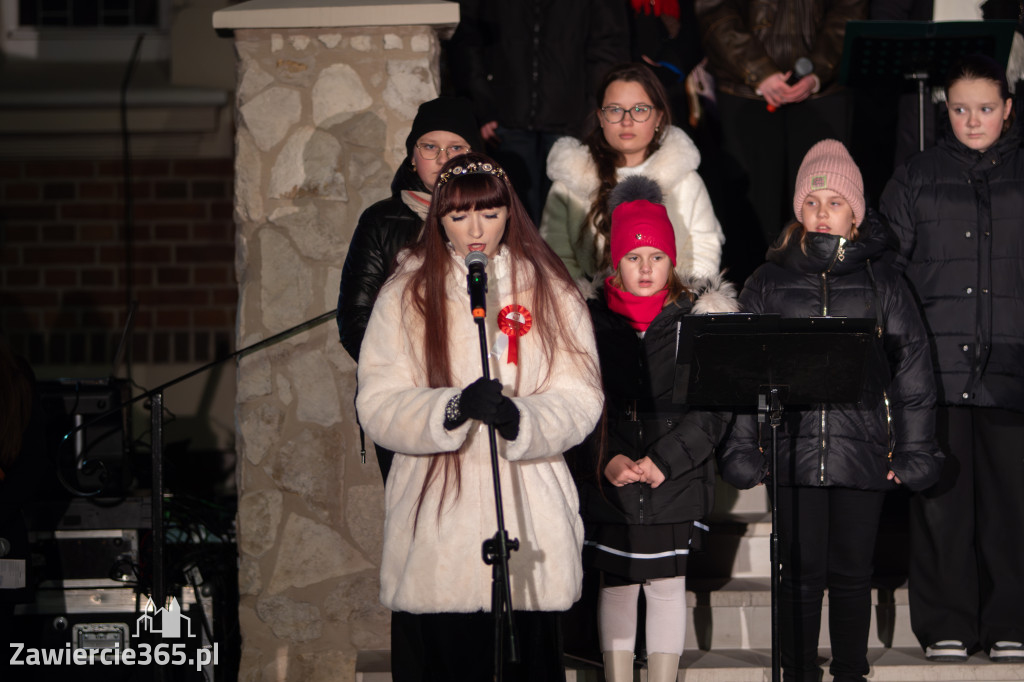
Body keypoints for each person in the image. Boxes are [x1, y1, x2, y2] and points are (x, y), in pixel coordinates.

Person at [355, 152, 604, 681]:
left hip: (526, 520)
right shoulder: (405, 293)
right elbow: (377, 404)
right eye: (459, 215)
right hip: (439, 528)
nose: (475, 229)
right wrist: (450, 406)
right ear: (438, 217)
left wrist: (523, 419)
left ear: (509, 214)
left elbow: (582, 397)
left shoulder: (552, 290)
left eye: (489, 214)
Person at [719, 140, 943, 681]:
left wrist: (913, 451)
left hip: (862, 451)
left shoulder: (882, 282)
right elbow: (743, 372)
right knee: (798, 572)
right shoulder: (769, 281)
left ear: (855, 214)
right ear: (799, 210)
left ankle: (849, 671)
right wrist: (747, 446)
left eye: (835, 202)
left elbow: (913, 371)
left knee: (849, 573)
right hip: (792, 450)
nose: (823, 212)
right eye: (813, 202)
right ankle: (796, 671)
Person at [879, 53, 1024, 664]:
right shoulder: (915, 176)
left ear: (1008, 110)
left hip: (1014, 369)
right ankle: (944, 624)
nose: (972, 120)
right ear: (946, 110)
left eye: (985, 109)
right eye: (961, 109)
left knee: (1011, 508)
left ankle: (1012, 620)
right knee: (940, 505)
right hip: (937, 371)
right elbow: (889, 271)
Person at [576, 175, 738, 682]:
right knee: (619, 583)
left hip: (677, 475)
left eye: (657, 258)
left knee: (667, 585)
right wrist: (606, 459)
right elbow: (578, 402)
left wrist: (665, 460)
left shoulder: (696, 321)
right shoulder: (589, 321)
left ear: (672, 261)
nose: (645, 269)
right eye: (633, 257)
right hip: (615, 475)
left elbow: (713, 410)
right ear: (615, 262)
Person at [337, 96, 482, 483]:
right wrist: (406, 376)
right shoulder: (380, 220)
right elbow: (356, 317)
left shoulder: (495, 217)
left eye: (456, 148)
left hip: (481, 397)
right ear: (412, 156)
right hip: (408, 403)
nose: (442, 157)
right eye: (430, 147)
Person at [694, 0, 867, 284]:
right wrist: (759, 71)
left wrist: (818, 70)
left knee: (824, 203)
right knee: (751, 217)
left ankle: (826, 304)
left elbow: (849, 9)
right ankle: (752, 307)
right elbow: (714, 9)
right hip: (744, 88)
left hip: (823, 89)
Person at [447, 0, 629, 223]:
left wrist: (594, 112)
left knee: (568, 217)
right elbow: (468, 41)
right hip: (506, 119)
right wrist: (482, 107)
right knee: (513, 218)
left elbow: (607, 47)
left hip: (572, 121)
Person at [540, 62, 724, 281]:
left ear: (659, 118)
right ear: (601, 117)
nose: (627, 121)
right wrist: (585, 303)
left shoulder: (685, 180)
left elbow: (703, 248)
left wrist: (677, 301)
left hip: (670, 306)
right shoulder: (570, 180)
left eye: (640, 109)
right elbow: (555, 254)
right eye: (615, 109)